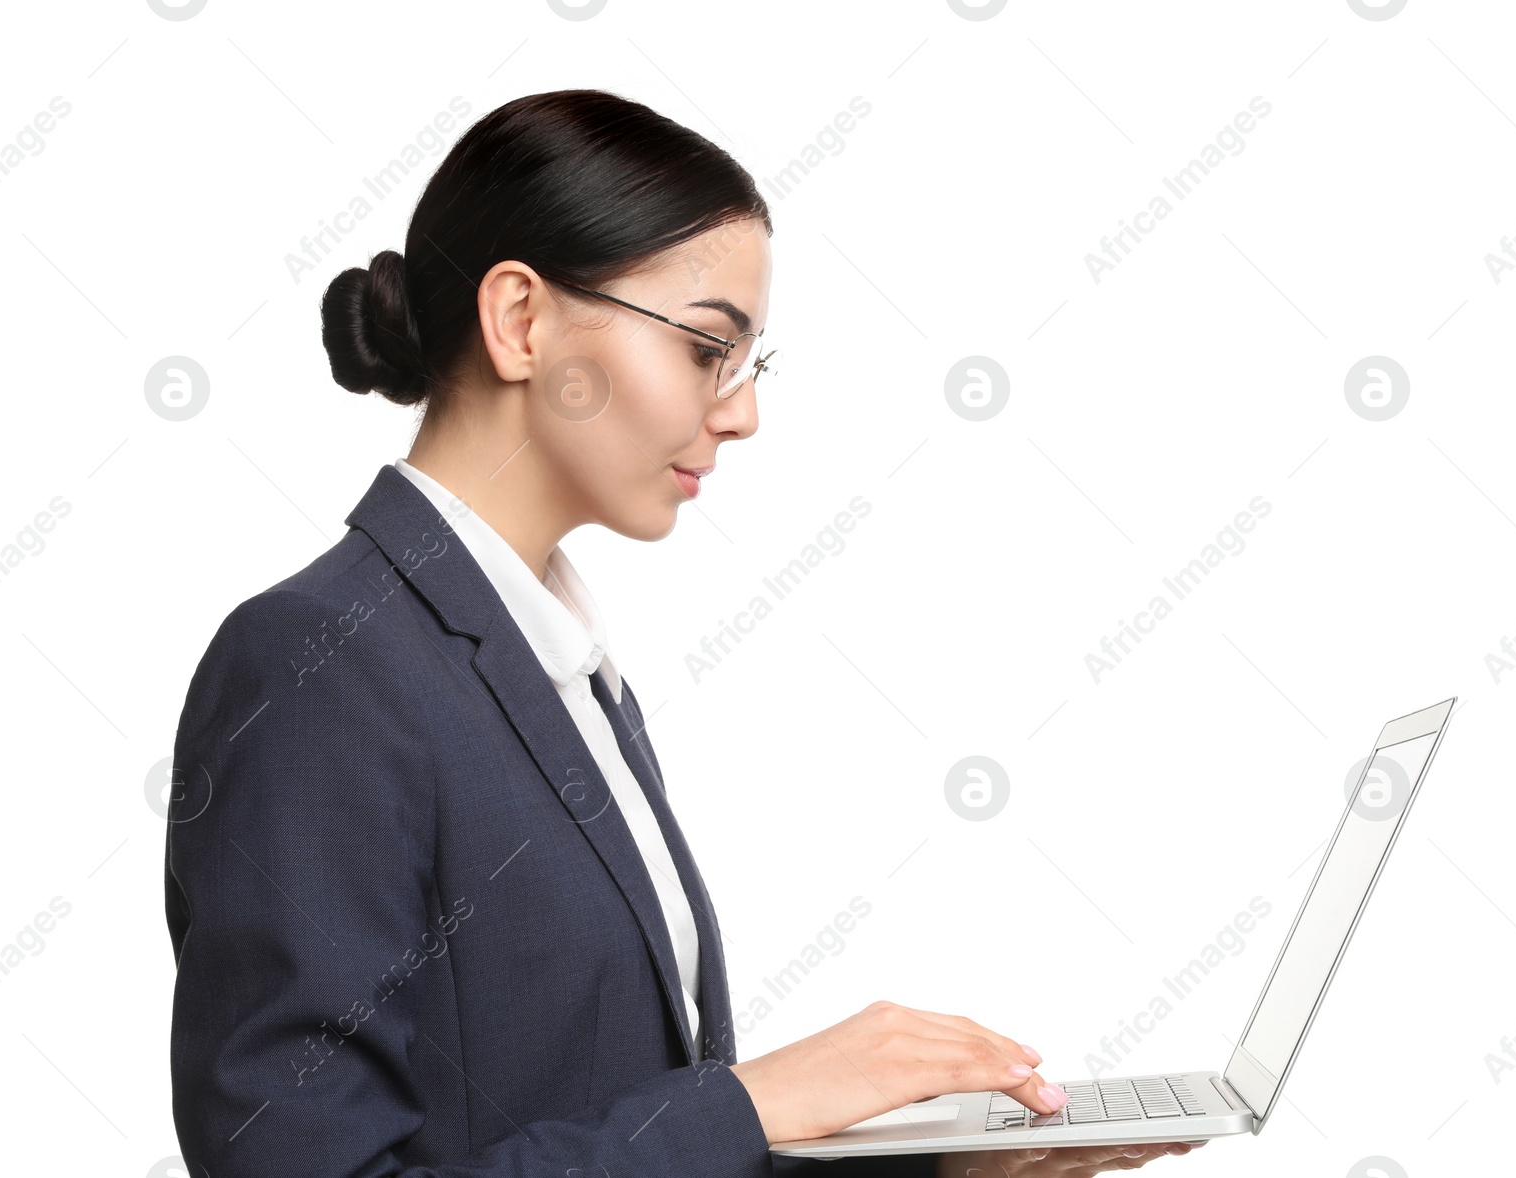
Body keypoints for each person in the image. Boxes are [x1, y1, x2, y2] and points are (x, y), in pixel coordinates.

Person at [164, 87, 1201, 1177]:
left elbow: (614, 1125)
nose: (741, 409)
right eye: (708, 348)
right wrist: (750, 1102)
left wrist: (927, 1164)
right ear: (521, 321)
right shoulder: (321, 664)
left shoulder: (560, 665)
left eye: (746, 363)